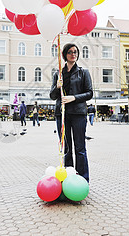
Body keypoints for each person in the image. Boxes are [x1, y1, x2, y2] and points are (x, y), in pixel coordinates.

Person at [50, 43, 93, 183]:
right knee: (66, 148)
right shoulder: (58, 73)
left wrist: (73, 98)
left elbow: (89, 93)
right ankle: (69, 178)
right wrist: (57, 87)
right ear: (64, 55)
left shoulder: (83, 72)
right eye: (70, 52)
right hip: (62, 114)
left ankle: (82, 180)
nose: (73, 54)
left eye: (75, 52)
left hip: (78, 114)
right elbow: (52, 95)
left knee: (80, 148)